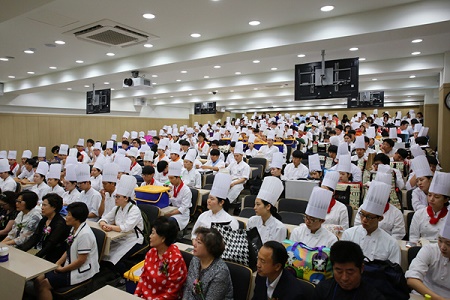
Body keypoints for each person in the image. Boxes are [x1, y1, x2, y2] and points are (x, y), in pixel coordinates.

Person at [34, 202, 100, 299]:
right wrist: (58, 263)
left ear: (76, 218)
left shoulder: (85, 235)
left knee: (44, 285)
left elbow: (81, 260)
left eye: (68, 214)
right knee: (38, 279)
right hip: (69, 264)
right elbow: (68, 249)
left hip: (81, 270)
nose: (66, 217)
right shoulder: (74, 228)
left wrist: (62, 269)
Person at [341, 181, 401, 264]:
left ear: (380, 218)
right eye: (362, 214)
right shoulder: (349, 235)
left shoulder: (391, 243)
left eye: (369, 217)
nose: (364, 220)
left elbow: (394, 271)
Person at [99, 175, 144, 273]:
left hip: (133, 239)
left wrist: (109, 226)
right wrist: (103, 224)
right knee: (105, 253)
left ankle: (125, 275)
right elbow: (104, 218)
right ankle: (112, 273)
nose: (115, 199)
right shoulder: (117, 208)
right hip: (119, 237)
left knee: (115, 258)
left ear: (126, 198)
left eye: (118, 197)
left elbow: (126, 228)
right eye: (116, 196)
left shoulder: (134, 210)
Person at [134, 216, 187, 299]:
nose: (150, 236)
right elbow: (143, 278)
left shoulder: (175, 259)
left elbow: (172, 292)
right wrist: (135, 296)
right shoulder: (151, 252)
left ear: (163, 238)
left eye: (153, 233)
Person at [314, 240, 386, 300]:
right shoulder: (323, 289)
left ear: (361, 268)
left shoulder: (373, 296)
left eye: (350, 272)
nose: (344, 278)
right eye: (339, 271)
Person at [183, 227, 233, 300]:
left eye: (199, 242)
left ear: (210, 248)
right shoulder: (195, 260)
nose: (194, 244)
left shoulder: (220, 271)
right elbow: (188, 289)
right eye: (195, 240)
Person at [405, 217, 450, 299]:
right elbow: (412, 279)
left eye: (448, 244)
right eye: (440, 240)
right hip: (422, 294)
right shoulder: (430, 249)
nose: (443, 247)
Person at [18, 193, 70, 263]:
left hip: (54, 256)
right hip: (42, 251)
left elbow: (50, 244)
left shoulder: (60, 224)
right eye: (42, 205)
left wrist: (36, 257)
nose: (42, 207)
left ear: (54, 207)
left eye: (45, 205)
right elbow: (35, 237)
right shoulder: (44, 219)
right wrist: (21, 250)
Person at [192, 173, 239, 238]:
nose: (208, 201)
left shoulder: (230, 221)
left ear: (221, 202)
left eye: (212, 199)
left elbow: (232, 243)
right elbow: (194, 234)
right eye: (208, 198)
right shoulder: (203, 215)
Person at [409, 171, 450, 243]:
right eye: (429, 195)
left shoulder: (448, 216)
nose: (431, 199)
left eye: (436, 197)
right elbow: (413, 237)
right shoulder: (419, 214)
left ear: (445, 200)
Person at [248, 176, 286, 243]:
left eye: (258, 204)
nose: (254, 207)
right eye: (255, 204)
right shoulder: (252, 221)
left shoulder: (279, 228)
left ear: (268, 206)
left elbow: (277, 251)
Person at [165, 161, 192, 231]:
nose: (170, 181)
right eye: (169, 178)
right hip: (172, 209)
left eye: (172, 178)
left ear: (178, 178)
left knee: (170, 221)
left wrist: (169, 214)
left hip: (182, 214)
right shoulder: (171, 187)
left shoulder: (186, 190)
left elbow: (183, 208)